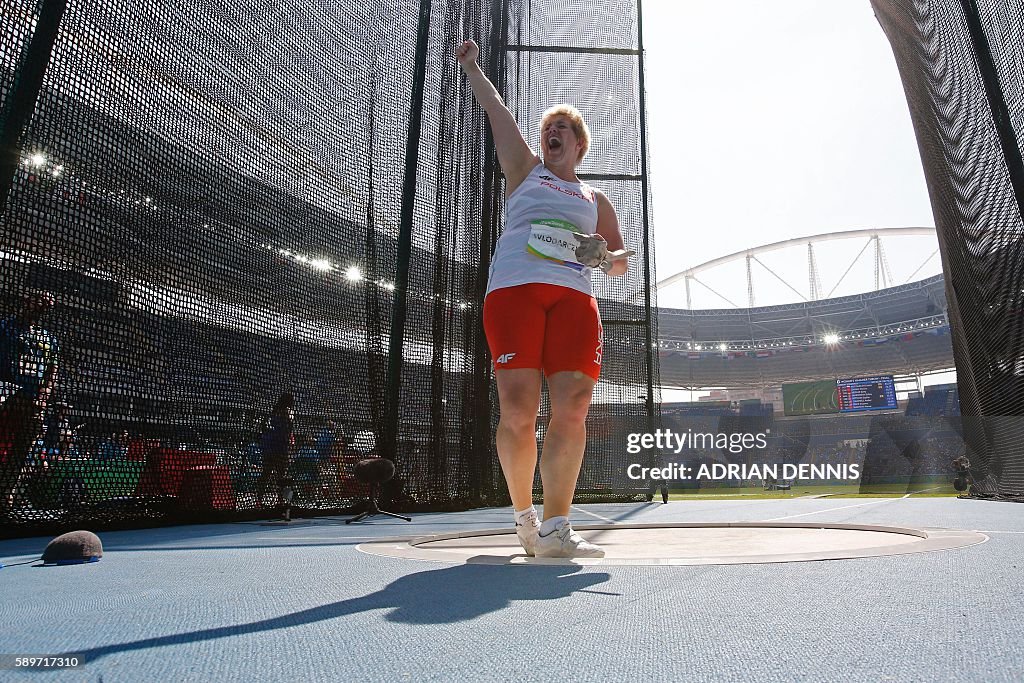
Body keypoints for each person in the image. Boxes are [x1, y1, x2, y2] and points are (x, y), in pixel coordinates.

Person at [457, 39, 631, 558]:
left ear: (579, 143)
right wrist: (470, 67)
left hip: (575, 299)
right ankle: (524, 518)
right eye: (547, 129)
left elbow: (619, 262)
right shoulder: (525, 170)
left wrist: (602, 257)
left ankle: (558, 528)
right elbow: (496, 109)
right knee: (518, 409)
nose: (552, 133)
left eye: (563, 129)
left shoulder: (594, 199)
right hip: (515, 291)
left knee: (574, 407)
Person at [0, 291, 59, 517]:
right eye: (40, 301)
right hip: (7, 396)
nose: (44, 306)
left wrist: (43, 396)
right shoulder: (5, 328)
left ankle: (6, 500)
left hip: (32, 403)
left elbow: (53, 370)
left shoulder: (47, 338)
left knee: (21, 453)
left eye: (48, 304)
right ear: (27, 301)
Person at [255, 392, 295, 507]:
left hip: (268, 448)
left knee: (265, 474)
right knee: (283, 476)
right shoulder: (287, 412)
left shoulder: (274, 411)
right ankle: (283, 501)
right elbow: (287, 430)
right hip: (280, 448)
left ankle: (259, 500)